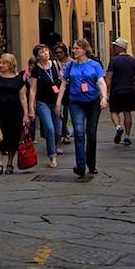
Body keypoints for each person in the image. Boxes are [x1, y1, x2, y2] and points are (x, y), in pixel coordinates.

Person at [56, 38, 109, 178]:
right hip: (75, 102)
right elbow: (63, 84)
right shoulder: (71, 66)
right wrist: (59, 102)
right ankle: (80, 165)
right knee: (79, 133)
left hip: (92, 102)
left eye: (76, 48)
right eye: (73, 48)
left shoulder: (95, 65)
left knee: (91, 133)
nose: (74, 51)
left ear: (84, 50)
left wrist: (104, 97)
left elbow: (101, 82)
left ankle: (91, 164)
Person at [0, 53, 29, 175]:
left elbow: (23, 98)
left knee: (13, 137)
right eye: (0, 63)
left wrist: (26, 114)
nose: (1, 65)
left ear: (10, 64)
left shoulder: (19, 80)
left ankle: (10, 163)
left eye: (4, 63)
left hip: (14, 112)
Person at [28, 44, 61, 168]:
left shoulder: (55, 65)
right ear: (37, 56)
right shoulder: (36, 69)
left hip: (56, 101)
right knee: (50, 128)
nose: (46, 53)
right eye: (42, 52)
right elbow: (33, 89)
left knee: (58, 130)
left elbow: (61, 80)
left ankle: (53, 144)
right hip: (43, 102)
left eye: (46, 50)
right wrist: (32, 107)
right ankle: (52, 156)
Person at [105, 37, 135, 147]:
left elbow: (109, 77)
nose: (114, 48)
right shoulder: (133, 60)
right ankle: (127, 136)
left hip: (117, 90)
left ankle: (118, 127)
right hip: (130, 90)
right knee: (127, 112)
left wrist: (105, 91)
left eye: (116, 46)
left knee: (114, 112)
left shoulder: (114, 61)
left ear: (120, 48)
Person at [53, 42, 72, 149]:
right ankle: (61, 133)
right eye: (57, 53)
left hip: (70, 89)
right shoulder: (55, 63)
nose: (59, 54)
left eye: (61, 52)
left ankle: (68, 133)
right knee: (61, 112)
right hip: (59, 89)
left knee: (69, 113)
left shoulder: (72, 62)